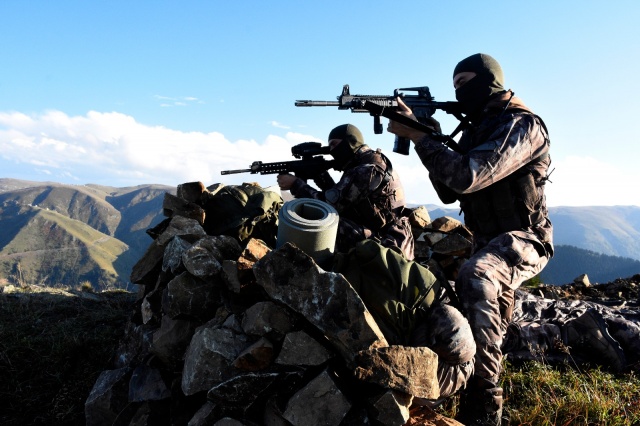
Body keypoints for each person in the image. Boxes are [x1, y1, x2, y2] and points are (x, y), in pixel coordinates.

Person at [387, 53, 554, 425]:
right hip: (488, 239)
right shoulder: (478, 128)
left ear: (489, 81)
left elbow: (467, 175)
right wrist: (424, 137)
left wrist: (419, 135)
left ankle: (483, 409)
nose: (459, 93)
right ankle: (471, 391)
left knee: (476, 276)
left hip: (526, 239)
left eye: (465, 83)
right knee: (485, 323)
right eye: (455, 86)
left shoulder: (522, 125)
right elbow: (448, 192)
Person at [277, 123, 415, 260]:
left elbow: (329, 205)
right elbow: (344, 197)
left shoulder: (366, 170)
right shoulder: (372, 161)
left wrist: (295, 184)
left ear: (350, 142)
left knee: (323, 219)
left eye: (334, 145)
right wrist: (320, 175)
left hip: (387, 246)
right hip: (389, 237)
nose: (331, 151)